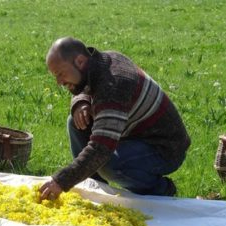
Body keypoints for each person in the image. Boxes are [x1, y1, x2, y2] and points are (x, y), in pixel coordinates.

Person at [39, 37, 190, 200]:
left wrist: (61, 181)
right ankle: (96, 187)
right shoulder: (101, 62)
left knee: (109, 165)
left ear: (80, 61)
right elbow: (85, 84)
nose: (59, 82)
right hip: (133, 134)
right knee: (75, 122)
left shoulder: (114, 84)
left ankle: (162, 190)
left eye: (61, 74)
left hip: (164, 148)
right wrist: (80, 101)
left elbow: (101, 149)